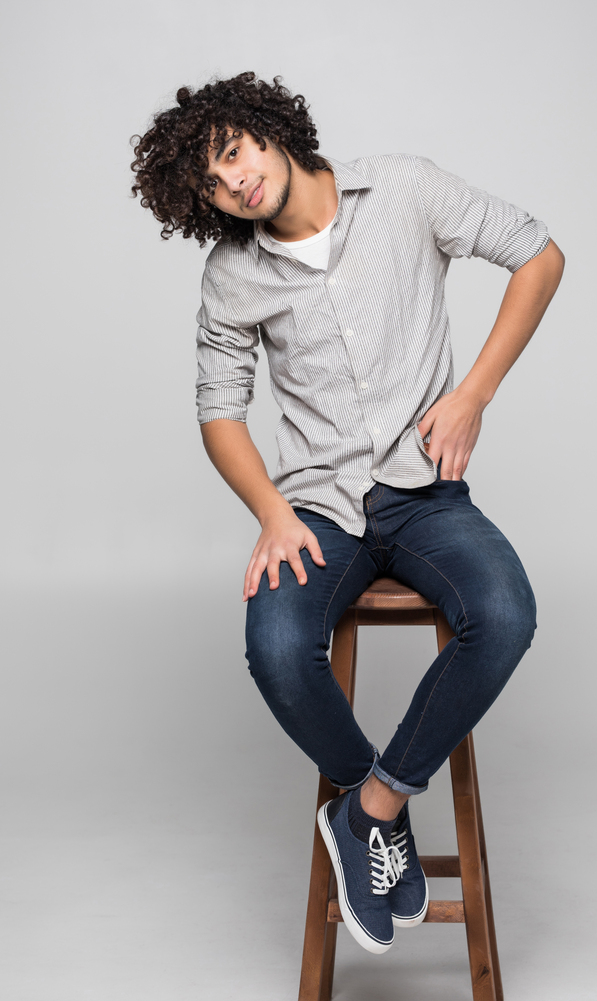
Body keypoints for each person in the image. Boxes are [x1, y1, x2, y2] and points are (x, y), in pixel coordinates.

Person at [131, 71, 564, 955]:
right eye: (210, 182)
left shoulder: (403, 188)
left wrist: (474, 392)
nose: (236, 180)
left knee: (506, 614)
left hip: (425, 496)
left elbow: (538, 252)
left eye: (234, 150)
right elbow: (219, 411)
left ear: (267, 128)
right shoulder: (231, 275)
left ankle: (370, 808)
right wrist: (270, 514)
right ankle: (374, 811)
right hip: (319, 509)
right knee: (276, 646)